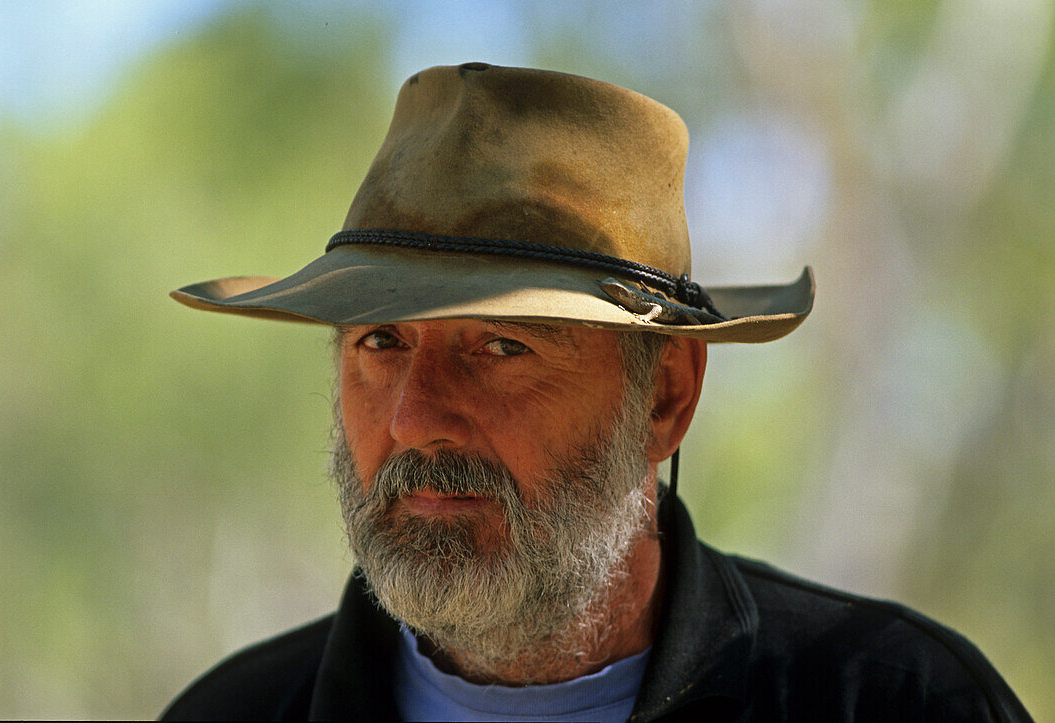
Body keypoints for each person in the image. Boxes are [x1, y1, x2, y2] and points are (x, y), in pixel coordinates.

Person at [161, 63, 1031, 722]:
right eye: (380, 343)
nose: (414, 414)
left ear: (665, 398)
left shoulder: (897, 703)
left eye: (501, 347)